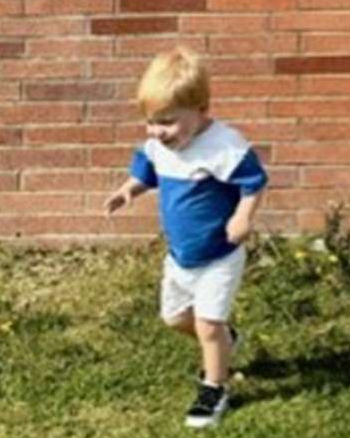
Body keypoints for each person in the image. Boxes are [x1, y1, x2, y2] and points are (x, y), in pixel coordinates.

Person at [105, 46, 268, 429]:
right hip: (180, 257)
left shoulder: (224, 147)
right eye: (151, 122)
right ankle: (226, 339)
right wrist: (129, 189)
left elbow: (254, 182)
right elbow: (147, 169)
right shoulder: (160, 145)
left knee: (207, 326)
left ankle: (214, 388)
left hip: (219, 254)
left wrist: (243, 216)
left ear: (201, 109)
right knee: (175, 318)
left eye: (167, 122)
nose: (157, 132)